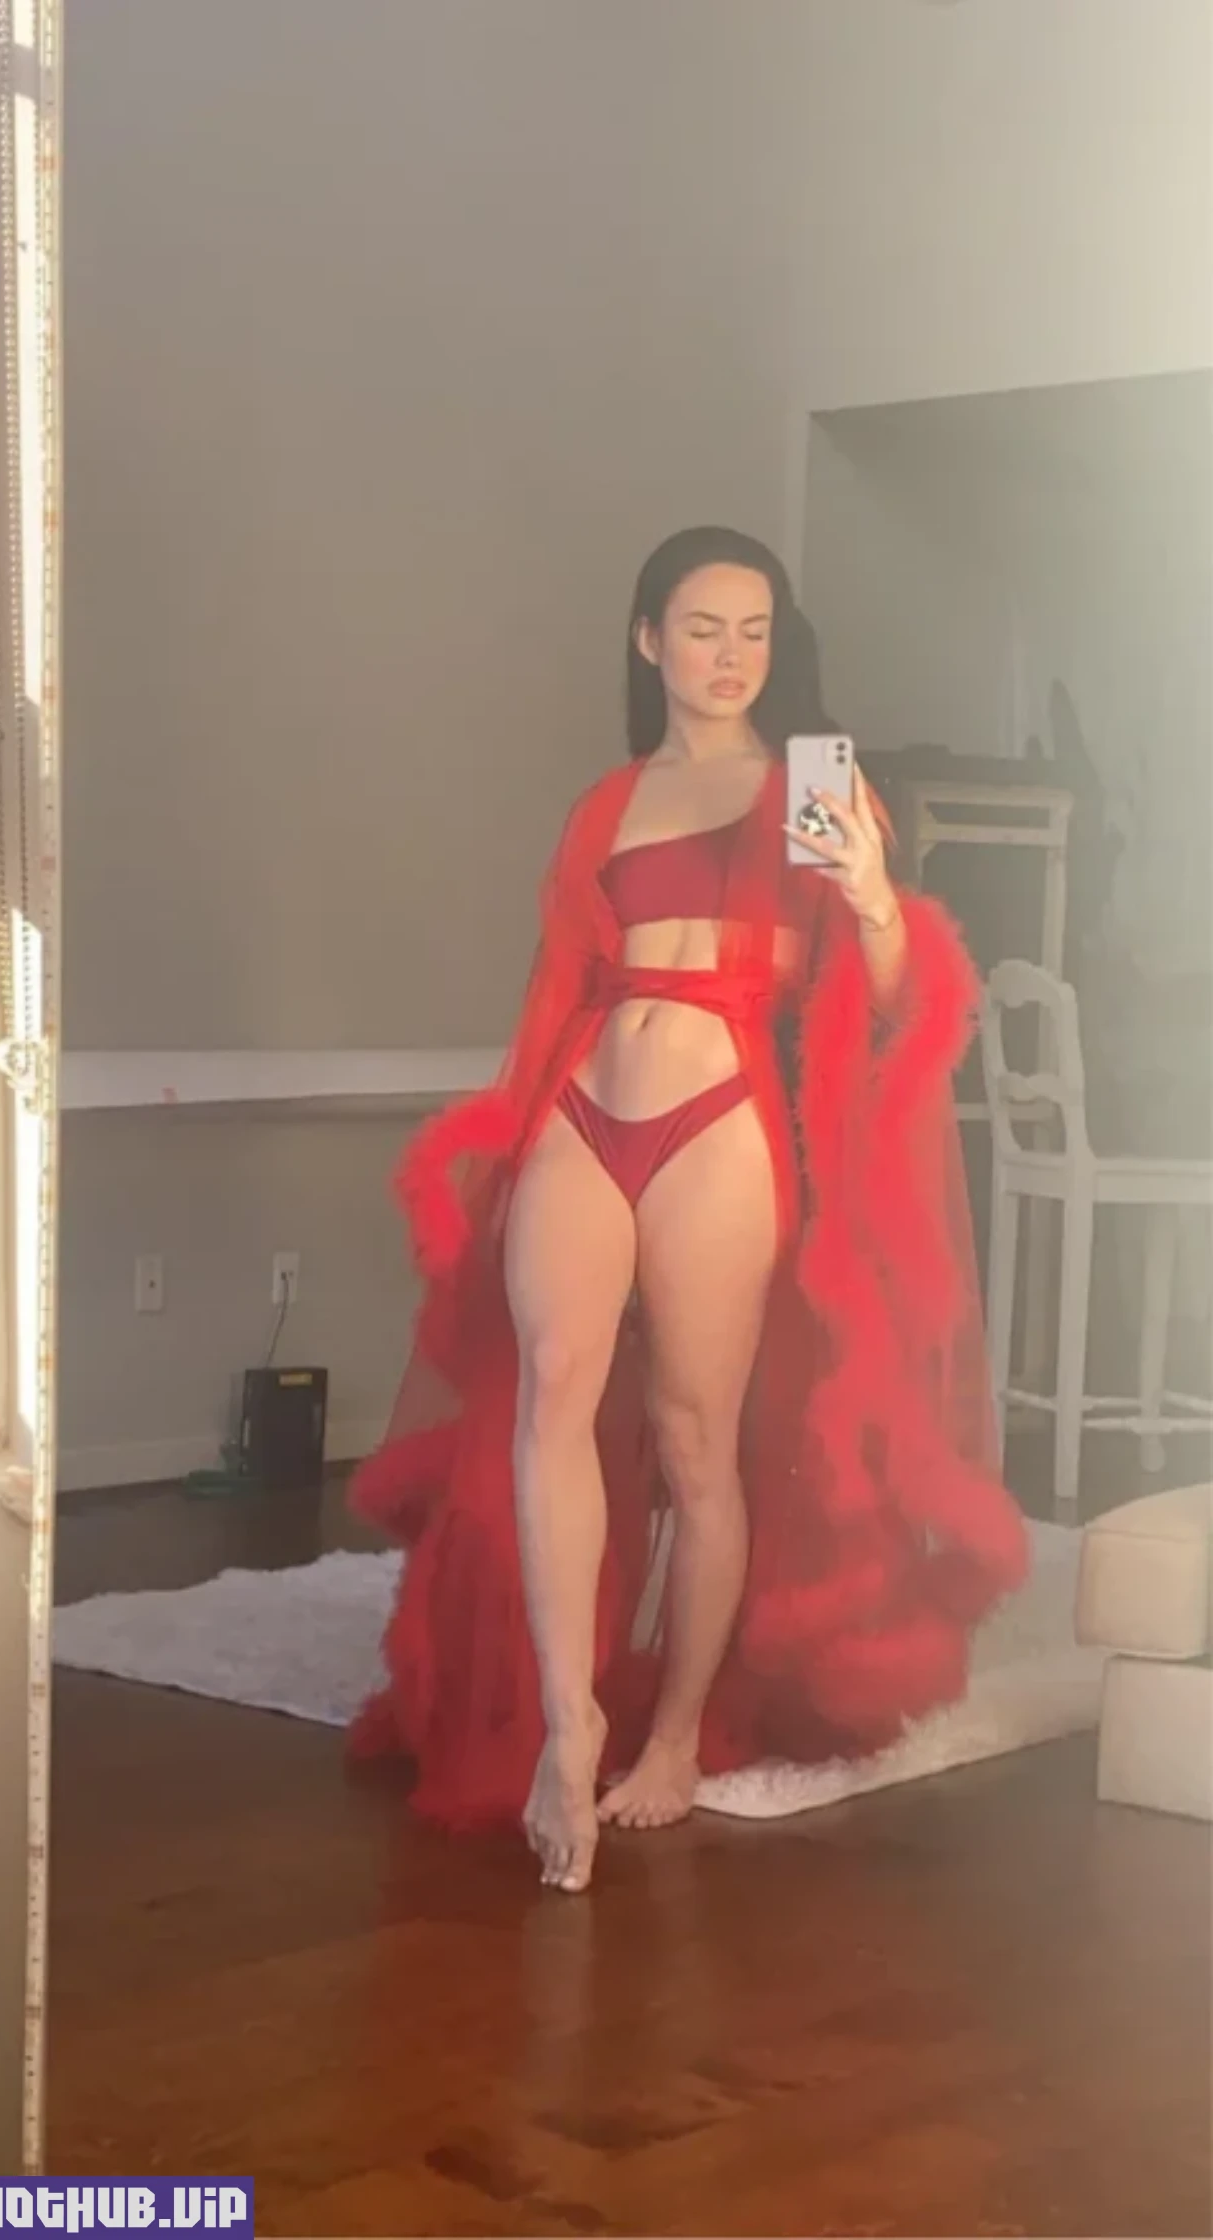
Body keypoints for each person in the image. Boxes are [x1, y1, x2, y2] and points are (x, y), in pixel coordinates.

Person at [348, 525, 1028, 1893]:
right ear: (649, 640)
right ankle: (569, 1725)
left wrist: (872, 897)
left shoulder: (813, 785)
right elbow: (554, 993)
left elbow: (893, 999)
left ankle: (669, 1737)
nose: (732, 656)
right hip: (583, 1105)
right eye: (704, 628)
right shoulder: (607, 803)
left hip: (721, 1119)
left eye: (756, 630)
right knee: (553, 1385)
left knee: (694, 1436)